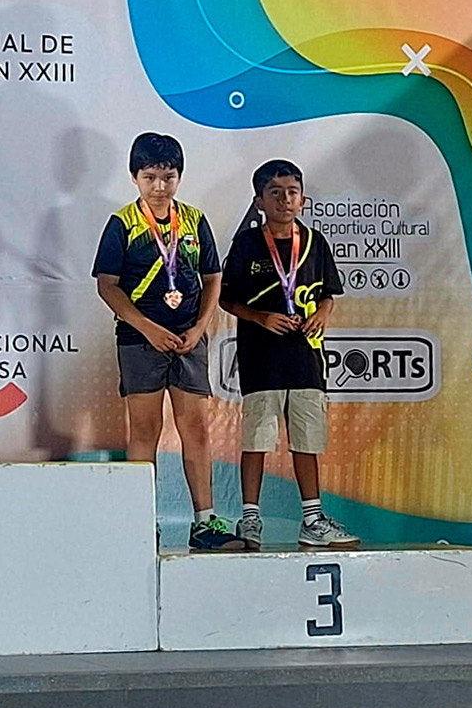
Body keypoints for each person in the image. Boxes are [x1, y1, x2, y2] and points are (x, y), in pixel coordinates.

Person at [93, 133, 243, 550]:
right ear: (134, 177)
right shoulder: (123, 223)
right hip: (140, 340)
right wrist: (147, 328)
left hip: (188, 340)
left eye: (168, 177)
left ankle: (205, 523)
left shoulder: (193, 220)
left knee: (196, 429)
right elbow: (107, 285)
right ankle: (141, 522)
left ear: (179, 176)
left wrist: (199, 328)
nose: (159, 186)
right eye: (150, 177)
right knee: (145, 431)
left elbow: (213, 278)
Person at [219, 159, 359, 549]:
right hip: (261, 357)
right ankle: (250, 518)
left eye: (292, 192)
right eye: (275, 193)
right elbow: (227, 298)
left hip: (305, 357)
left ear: (303, 199)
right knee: (257, 440)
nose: (284, 200)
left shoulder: (315, 242)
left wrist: (322, 314)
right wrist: (260, 317)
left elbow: (328, 293)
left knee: (307, 440)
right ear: (259, 201)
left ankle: (312, 519)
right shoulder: (247, 243)